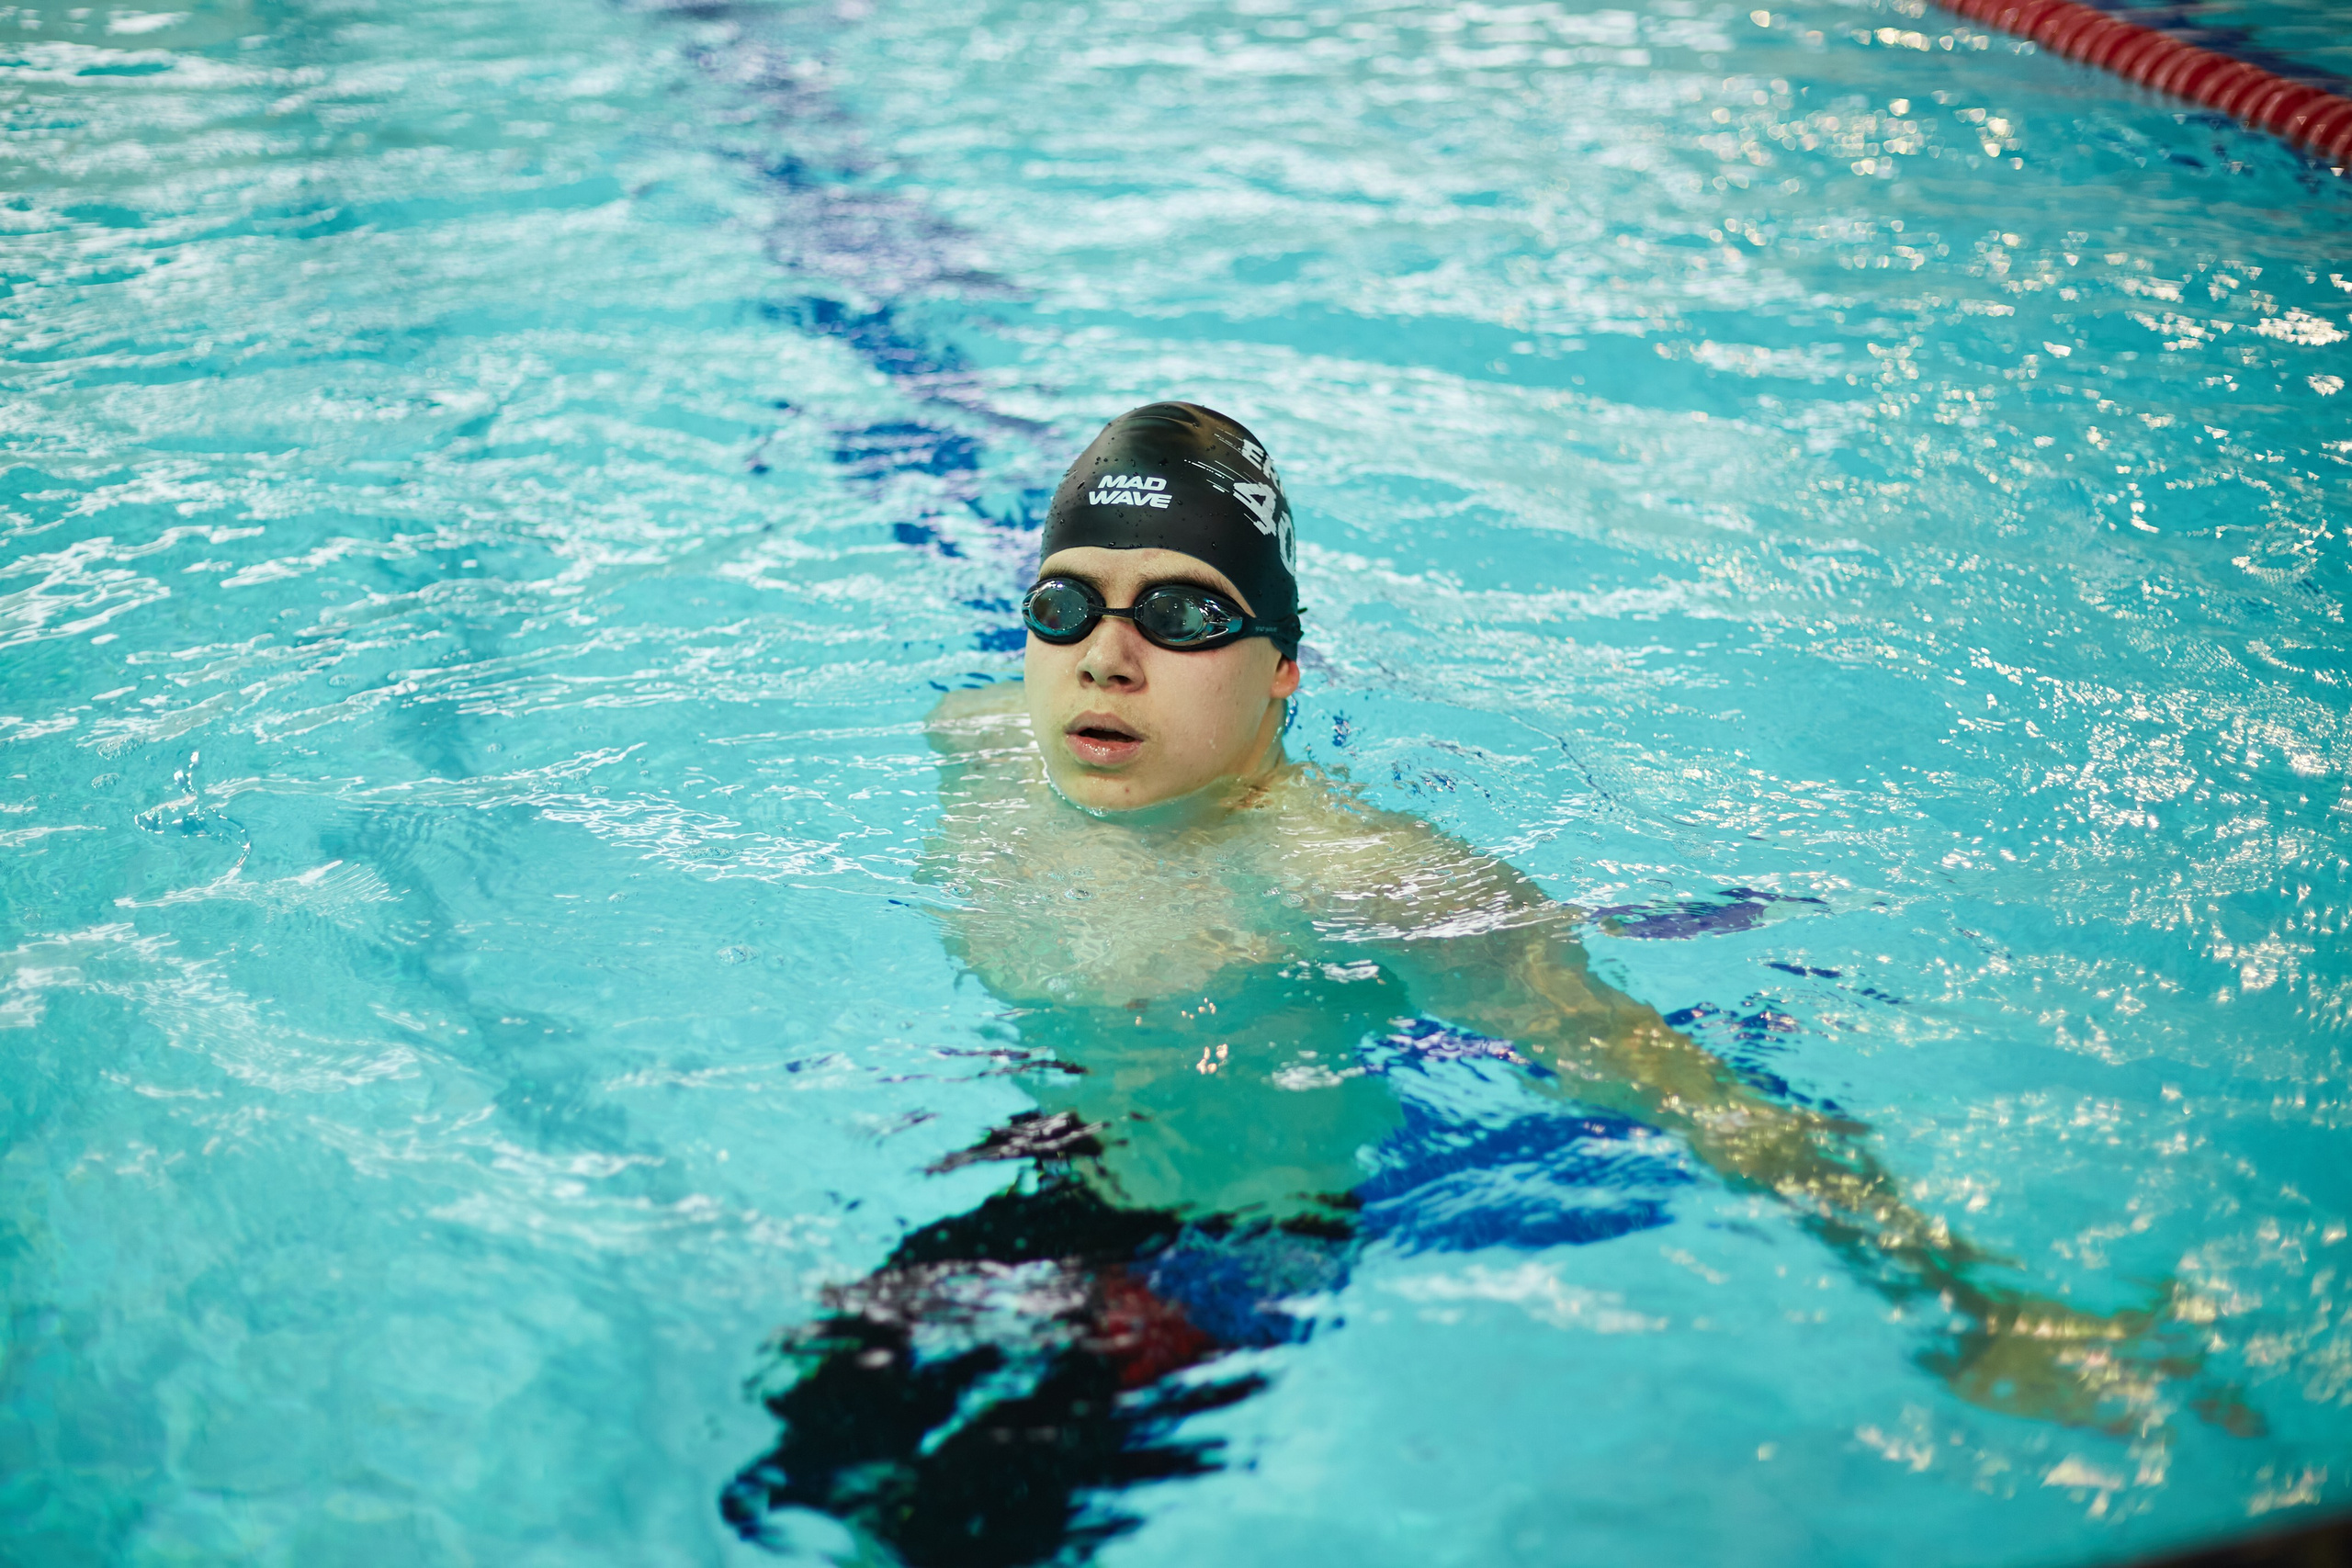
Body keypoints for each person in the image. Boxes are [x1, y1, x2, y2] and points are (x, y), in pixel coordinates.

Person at [727, 402, 2237, 1567]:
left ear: (1283, 670)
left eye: (1185, 615)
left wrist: (1972, 1299)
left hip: (1239, 1243)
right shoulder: (979, 748)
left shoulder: (1365, 879)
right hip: (1067, 1159)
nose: (1107, 656)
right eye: (1068, 604)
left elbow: (1682, 1087)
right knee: (792, 1457)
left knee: (956, 1531)